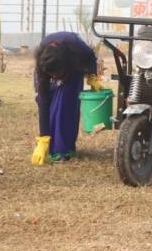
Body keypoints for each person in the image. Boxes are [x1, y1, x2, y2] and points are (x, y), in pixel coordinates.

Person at [31, 32, 102, 165]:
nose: (55, 77)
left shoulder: (75, 47)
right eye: (52, 75)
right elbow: (43, 102)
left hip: (74, 67)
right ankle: (51, 146)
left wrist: (92, 75)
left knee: (66, 105)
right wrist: (43, 139)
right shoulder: (43, 63)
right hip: (58, 64)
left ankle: (63, 149)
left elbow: (90, 55)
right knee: (49, 102)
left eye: (57, 74)